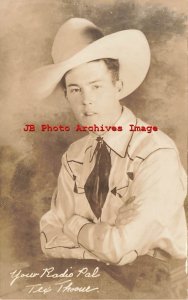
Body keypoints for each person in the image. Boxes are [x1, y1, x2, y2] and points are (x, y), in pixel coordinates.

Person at [29, 18, 187, 296]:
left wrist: (72, 223)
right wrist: (108, 231)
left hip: (154, 286)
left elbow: (119, 247)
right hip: (92, 280)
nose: (86, 100)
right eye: (76, 90)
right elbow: (48, 238)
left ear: (118, 86)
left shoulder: (155, 152)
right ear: (67, 95)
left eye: (96, 86)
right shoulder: (75, 155)